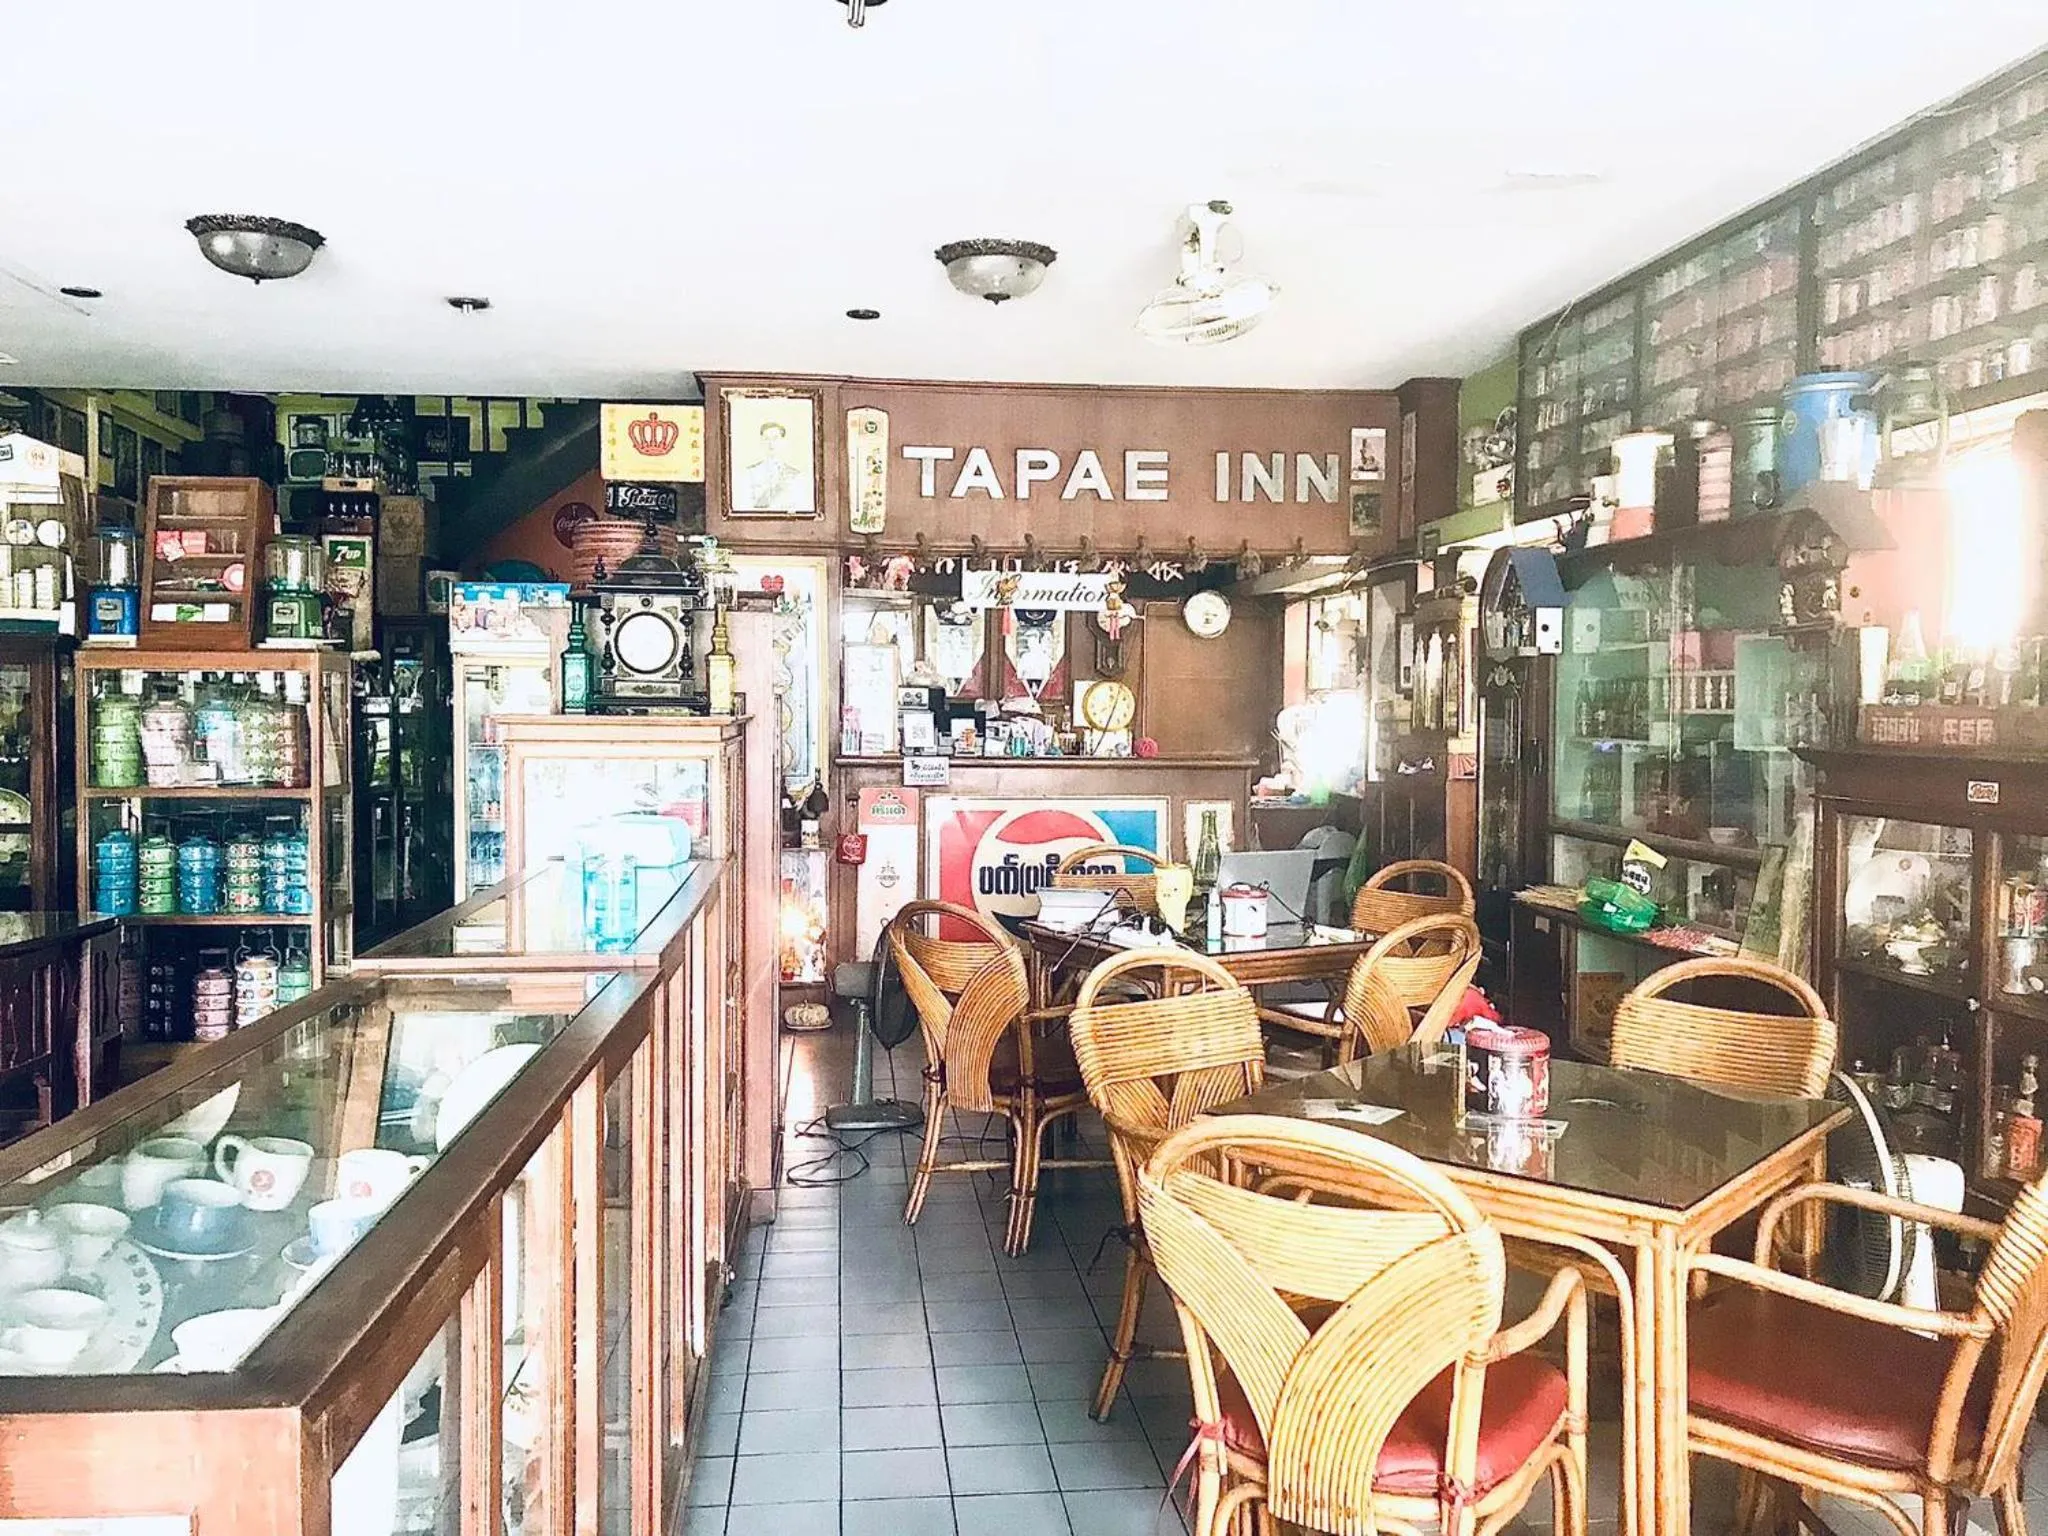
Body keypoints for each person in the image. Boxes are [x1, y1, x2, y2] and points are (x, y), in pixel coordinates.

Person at [739, 420, 806, 512]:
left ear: (783, 441)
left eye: (775, 438)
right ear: (761, 442)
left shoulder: (795, 475)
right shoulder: (750, 473)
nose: (771, 443)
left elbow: (800, 507)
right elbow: (744, 506)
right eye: (766, 439)